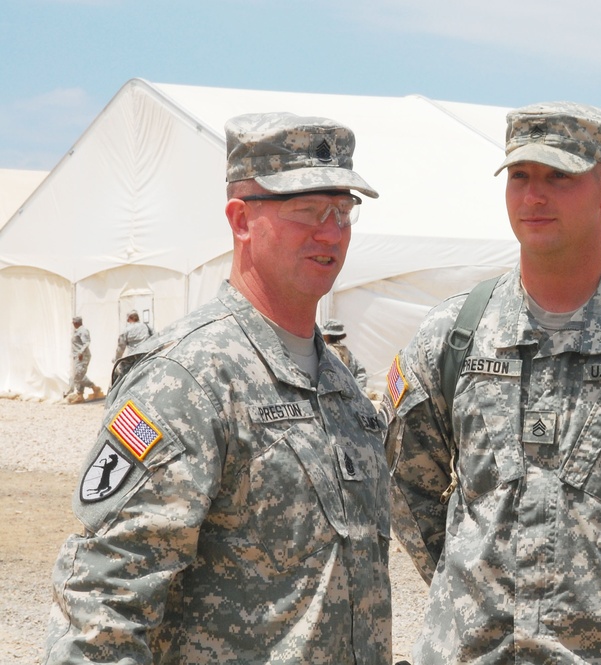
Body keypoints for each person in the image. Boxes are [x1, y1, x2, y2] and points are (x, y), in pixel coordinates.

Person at [43, 112, 392, 664]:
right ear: (241, 220)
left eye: (342, 211)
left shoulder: (340, 387)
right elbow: (104, 609)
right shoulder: (186, 381)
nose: (331, 232)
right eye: (306, 211)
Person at [386, 101, 601, 664]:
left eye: (559, 177)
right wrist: (472, 591)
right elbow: (408, 484)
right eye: (520, 177)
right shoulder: (457, 332)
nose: (534, 197)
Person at [322, 318, 368, 390]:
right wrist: (357, 390)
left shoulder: (326, 352)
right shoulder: (347, 352)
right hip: (349, 395)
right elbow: (361, 372)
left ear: (326, 335)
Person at [67, 316, 102, 403]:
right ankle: (80, 395)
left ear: (76, 322)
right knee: (79, 375)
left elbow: (86, 342)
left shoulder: (83, 331)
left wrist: (81, 352)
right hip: (77, 356)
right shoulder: (77, 331)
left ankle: (94, 387)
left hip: (82, 356)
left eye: (73, 322)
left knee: (78, 375)